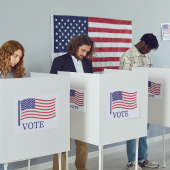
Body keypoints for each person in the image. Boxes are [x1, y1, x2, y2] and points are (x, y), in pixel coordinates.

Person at [50, 34, 95, 170]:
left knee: (82, 144)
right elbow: (53, 85)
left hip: (82, 110)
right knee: (62, 145)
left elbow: (91, 84)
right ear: (75, 46)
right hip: (65, 109)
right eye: (82, 50)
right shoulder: (60, 60)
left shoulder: (88, 63)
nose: (84, 54)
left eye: (87, 51)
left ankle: (82, 168)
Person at [119, 33, 159, 170]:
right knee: (131, 130)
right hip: (131, 99)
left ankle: (142, 158)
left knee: (143, 129)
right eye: (148, 48)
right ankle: (131, 161)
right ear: (142, 43)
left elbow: (151, 75)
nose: (149, 51)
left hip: (145, 98)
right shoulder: (127, 56)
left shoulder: (147, 56)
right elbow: (124, 80)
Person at [0, 40, 26, 170]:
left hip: (8, 116)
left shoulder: (15, 72)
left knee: (5, 155)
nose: (17, 60)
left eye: (19, 57)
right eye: (15, 56)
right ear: (6, 53)